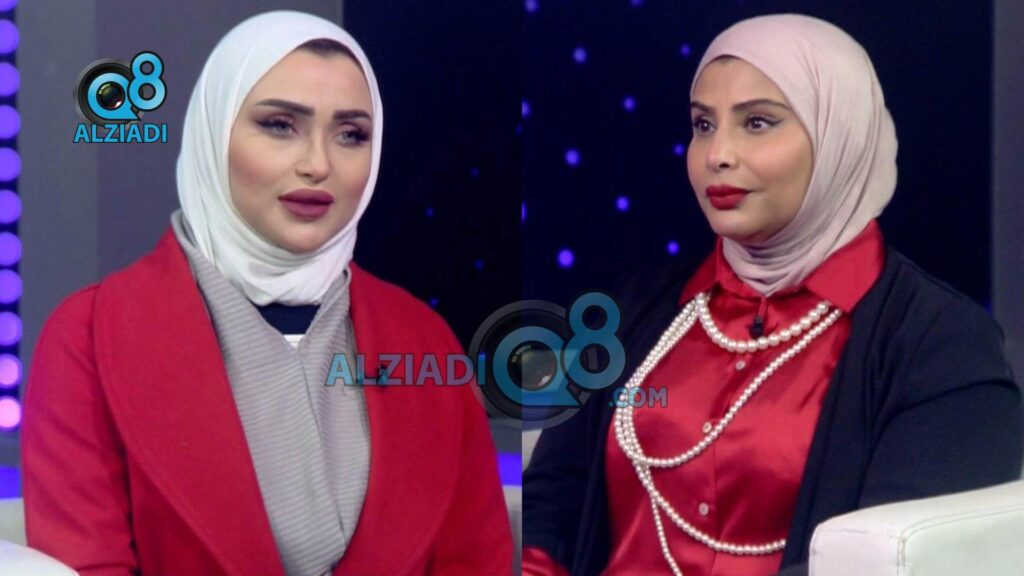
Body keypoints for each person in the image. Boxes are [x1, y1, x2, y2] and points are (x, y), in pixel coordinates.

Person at [522, 13, 1023, 576]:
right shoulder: (634, 309)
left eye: (757, 122)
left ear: (838, 136)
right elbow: (551, 504)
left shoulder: (943, 346)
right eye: (703, 124)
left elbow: (910, 561)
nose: (717, 154)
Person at [21, 11, 512, 576]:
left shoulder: (424, 340)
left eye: (351, 134)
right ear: (213, 134)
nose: (318, 164)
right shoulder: (88, 336)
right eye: (280, 125)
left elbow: (475, 560)